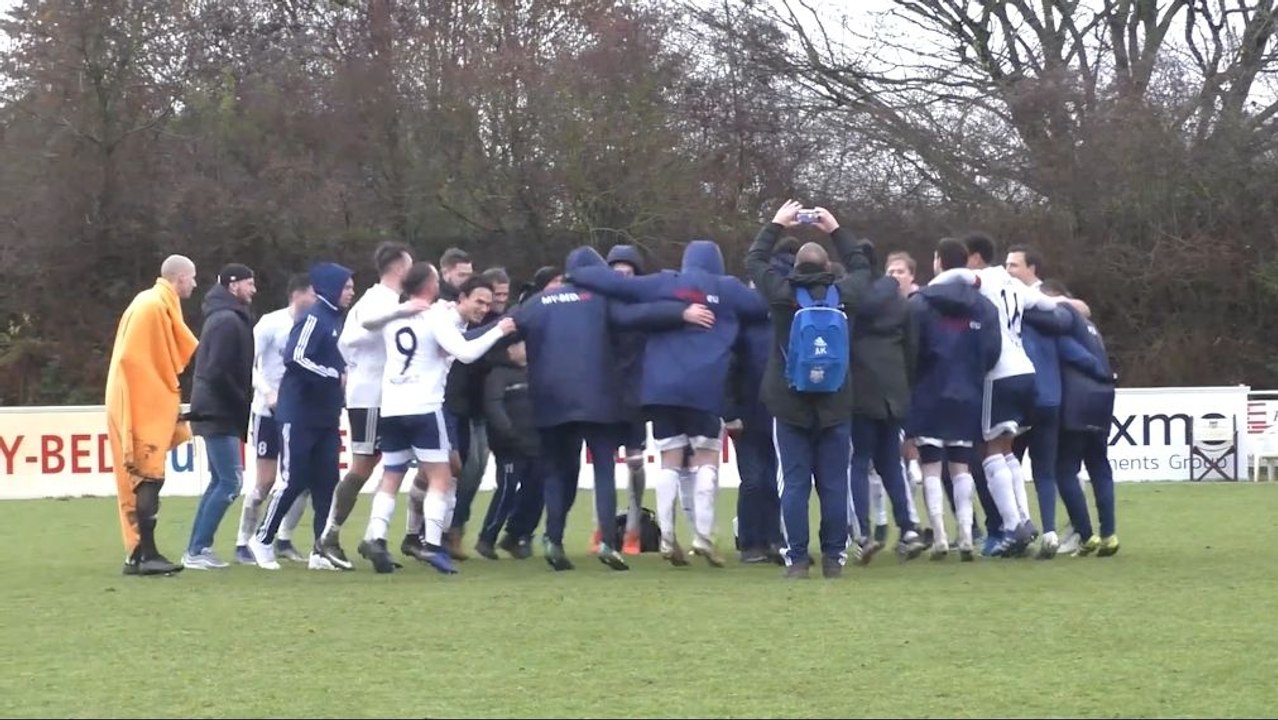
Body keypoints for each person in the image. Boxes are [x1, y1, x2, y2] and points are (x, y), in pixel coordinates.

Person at [567, 240, 767, 567]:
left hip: (660, 388)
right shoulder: (728, 288)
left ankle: (668, 537)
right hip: (704, 387)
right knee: (705, 460)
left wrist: (577, 274)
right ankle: (703, 537)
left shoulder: (664, 282)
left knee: (669, 462)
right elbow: (763, 305)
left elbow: (616, 284)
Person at [511, 246, 708, 571]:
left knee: (557, 472)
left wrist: (457, 343)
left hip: (549, 401)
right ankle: (606, 541)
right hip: (597, 400)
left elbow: (501, 330)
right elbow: (641, 315)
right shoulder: (603, 303)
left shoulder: (538, 304)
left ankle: (553, 539)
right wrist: (681, 313)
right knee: (604, 468)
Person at [744, 200, 873, 579]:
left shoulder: (782, 295)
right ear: (829, 266)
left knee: (795, 484)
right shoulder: (845, 294)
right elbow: (864, 265)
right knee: (834, 483)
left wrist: (776, 225)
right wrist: (835, 229)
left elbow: (755, 260)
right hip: (835, 401)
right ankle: (834, 558)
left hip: (789, 402)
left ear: (796, 267)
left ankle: (797, 559)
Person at [359, 270, 515, 574]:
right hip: (424, 406)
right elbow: (467, 353)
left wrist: (400, 310)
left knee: (392, 473)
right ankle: (431, 543)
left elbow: (365, 322)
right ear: (430, 286)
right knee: (442, 477)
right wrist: (499, 330)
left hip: (391, 406)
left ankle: (376, 537)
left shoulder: (394, 314)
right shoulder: (434, 316)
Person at [931, 233, 1066, 556]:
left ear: (976, 258)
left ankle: (1012, 525)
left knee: (989, 448)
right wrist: (1070, 306)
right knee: (1006, 447)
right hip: (1025, 371)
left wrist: (928, 289)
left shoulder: (984, 279)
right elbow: (1048, 304)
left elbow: (957, 276)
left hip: (998, 372)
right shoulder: (1015, 284)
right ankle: (1024, 519)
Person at [246, 261, 355, 570]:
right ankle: (262, 539)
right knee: (293, 479)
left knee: (327, 483)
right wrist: (334, 375)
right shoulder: (314, 318)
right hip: (299, 414)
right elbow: (296, 357)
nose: (351, 292)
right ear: (332, 288)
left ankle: (320, 551)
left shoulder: (336, 319)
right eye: (346, 287)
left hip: (326, 416)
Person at [321, 242, 420, 569]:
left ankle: (374, 538)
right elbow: (350, 340)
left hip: (386, 396)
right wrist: (357, 371)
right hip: (370, 397)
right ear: (400, 269)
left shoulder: (391, 301)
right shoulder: (377, 301)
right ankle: (328, 538)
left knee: (391, 464)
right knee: (364, 465)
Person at [106, 255, 200, 576]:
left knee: (143, 478)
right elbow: (138, 361)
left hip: (133, 397)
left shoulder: (150, 302)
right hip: (140, 401)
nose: (195, 284)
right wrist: (159, 402)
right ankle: (148, 554)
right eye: (192, 278)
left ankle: (138, 554)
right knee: (148, 476)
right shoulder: (155, 306)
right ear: (179, 279)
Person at [907, 238, 1002, 560]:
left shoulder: (920, 303)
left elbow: (910, 350)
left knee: (931, 467)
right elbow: (992, 352)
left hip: (929, 391)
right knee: (962, 466)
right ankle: (965, 536)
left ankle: (941, 537)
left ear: (938, 262)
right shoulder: (984, 305)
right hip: (968, 393)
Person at [848, 263, 927, 563]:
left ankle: (863, 535)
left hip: (861, 390)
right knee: (891, 464)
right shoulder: (900, 304)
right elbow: (912, 349)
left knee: (859, 461)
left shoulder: (852, 300)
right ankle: (908, 529)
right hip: (894, 390)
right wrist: (904, 387)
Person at [235, 274, 315, 564]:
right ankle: (243, 541)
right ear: (297, 294)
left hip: (300, 413)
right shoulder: (271, 323)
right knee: (266, 481)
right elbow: (247, 362)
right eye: (313, 294)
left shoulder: (314, 325)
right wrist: (268, 393)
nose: (318, 300)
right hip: (268, 413)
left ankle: (284, 538)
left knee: (302, 480)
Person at [182, 263, 257, 570]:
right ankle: (198, 550)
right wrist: (239, 398)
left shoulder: (223, 317)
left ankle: (197, 548)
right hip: (219, 410)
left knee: (220, 480)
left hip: (213, 408)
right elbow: (217, 369)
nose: (254, 289)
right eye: (250, 284)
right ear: (233, 284)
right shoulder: (227, 321)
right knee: (230, 481)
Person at [1041, 280, 1119, 557]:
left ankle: (1086, 534)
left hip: (1077, 401)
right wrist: (1106, 376)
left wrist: (1097, 371)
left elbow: (1073, 354)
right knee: (1100, 466)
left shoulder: (1063, 324)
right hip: (1102, 398)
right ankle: (1109, 534)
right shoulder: (1090, 325)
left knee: (1064, 469)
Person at [447, 266, 513, 560]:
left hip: (481, 408)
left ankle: (454, 528)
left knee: (475, 470)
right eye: (489, 297)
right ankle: (443, 530)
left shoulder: (496, 323)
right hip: (458, 407)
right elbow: (472, 355)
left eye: (500, 296)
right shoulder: (464, 324)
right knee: (461, 469)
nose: (494, 303)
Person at [475, 339, 540, 559]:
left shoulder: (536, 370)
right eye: (523, 344)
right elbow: (494, 408)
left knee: (536, 490)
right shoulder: (497, 375)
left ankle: (517, 535)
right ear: (511, 349)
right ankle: (487, 537)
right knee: (507, 489)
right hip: (509, 446)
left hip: (536, 443)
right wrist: (510, 434)